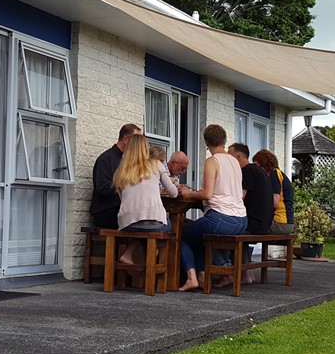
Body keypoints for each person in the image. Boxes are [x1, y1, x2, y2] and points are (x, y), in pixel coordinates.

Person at [176, 125, 247, 291]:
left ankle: (191, 277)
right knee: (198, 235)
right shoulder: (235, 162)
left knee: (179, 234)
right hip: (241, 220)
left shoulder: (212, 161)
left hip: (220, 219)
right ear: (224, 141)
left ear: (206, 142)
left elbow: (207, 194)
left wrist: (188, 193)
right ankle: (203, 277)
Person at [112, 134, 178, 265]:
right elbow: (174, 193)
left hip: (127, 224)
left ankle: (129, 255)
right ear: (145, 149)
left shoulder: (121, 171)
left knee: (141, 229)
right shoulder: (156, 164)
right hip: (155, 223)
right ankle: (152, 262)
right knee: (168, 225)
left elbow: (123, 199)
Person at [223, 142, 274, 286]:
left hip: (254, 224)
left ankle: (225, 271)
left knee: (227, 230)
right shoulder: (258, 171)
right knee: (235, 228)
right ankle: (248, 274)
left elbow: (239, 198)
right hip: (263, 223)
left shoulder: (246, 171)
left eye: (230, 155)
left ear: (238, 157)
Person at [90, 123, 141, 229]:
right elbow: (102, 188)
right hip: (107, 212)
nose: (138, 145)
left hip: (123, 209)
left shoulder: (129, 160)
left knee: (149, 222)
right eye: (135, 140)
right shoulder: (105, 159)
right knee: (141, 225)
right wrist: (126, 185)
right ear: (126, 139)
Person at [253, 148, 295, 235]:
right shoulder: (279, 174)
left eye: (257, 166)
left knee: (250, 227)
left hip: (280, 222)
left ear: (264, 165)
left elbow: (274, 202)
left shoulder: (274, 174)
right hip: (287, 223)